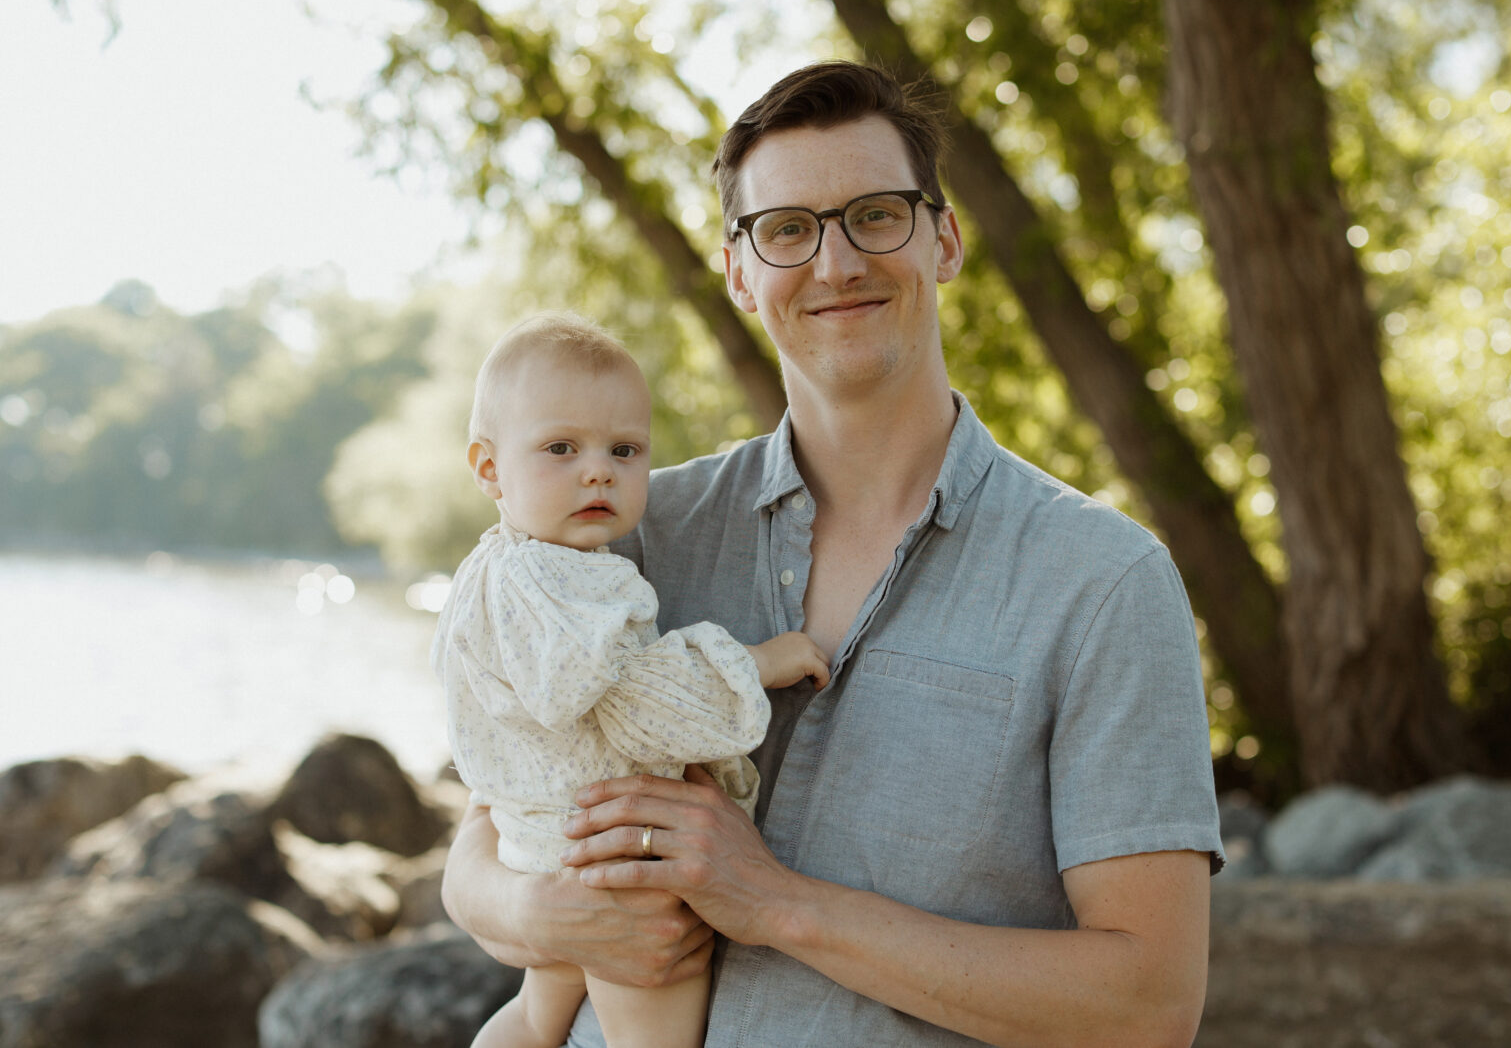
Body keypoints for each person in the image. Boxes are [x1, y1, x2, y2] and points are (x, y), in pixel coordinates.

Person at [443, 62, 1225, 1048]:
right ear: (739, 271)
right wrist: (543, 921)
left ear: (941, 239)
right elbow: (489, 818)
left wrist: (776, 903)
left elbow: (1149, 1003)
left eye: (875, 215)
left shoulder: (1103, 580)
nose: (835, 262)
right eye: (787, 229)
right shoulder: (627, 529)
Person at [432, 312, 830, 1048]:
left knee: (532, 1017)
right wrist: (760, 663)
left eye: (624, 450)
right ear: (488, 468)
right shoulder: (578, 583)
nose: (598, 470)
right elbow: (645, 703)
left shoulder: (485, 574)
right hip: (614, 861)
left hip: (539, 843)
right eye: (561, 448)